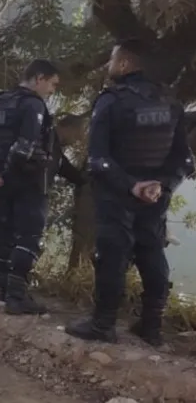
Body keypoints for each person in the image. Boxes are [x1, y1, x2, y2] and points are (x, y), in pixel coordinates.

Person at [66, 39, 194, 346]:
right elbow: (183, 159)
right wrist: (162, 186)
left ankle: (103, 325)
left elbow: (98, 159)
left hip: (119, 194)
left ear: (124, 64)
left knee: (112, 254)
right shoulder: (170, 102)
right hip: (154, 196)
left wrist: (132, 185)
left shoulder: (111, 101)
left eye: (112, 61)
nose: (110, 66)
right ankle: (151, 327)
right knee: (151, 251)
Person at [0, 59, 84, 315]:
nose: (53, 90)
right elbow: (25, 149)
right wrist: (6, 176)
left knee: (4, 234)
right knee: (29, 237)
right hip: (28, 183)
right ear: (39, 78)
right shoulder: (33, 105)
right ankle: (17, 297)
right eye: (53, 84)